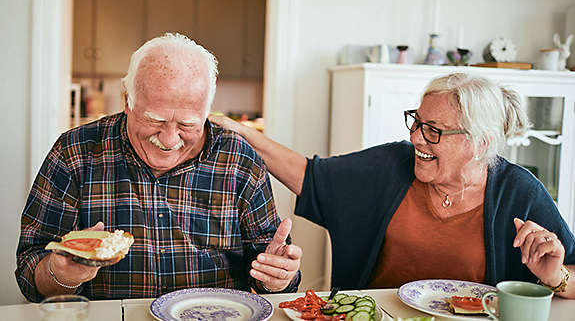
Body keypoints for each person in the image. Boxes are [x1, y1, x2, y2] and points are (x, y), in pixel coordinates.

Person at [210, 72, 575, 298]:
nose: (416, 137)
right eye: (416, 122)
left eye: (434, 131)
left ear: (479, 142)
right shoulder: (391, 165)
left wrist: (554, 276)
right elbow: (309, 175)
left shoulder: (519, 191)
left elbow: (570, 276)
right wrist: (242, 132)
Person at [16, 33, 301, 302]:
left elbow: (273, 274)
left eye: (187, 125)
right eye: (154, 120)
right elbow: (30, 275)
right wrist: (60, 274)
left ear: (207, 112)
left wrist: (278, 278)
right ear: (127, 101)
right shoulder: (74, 153)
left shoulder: (239, 159)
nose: (168, 139)